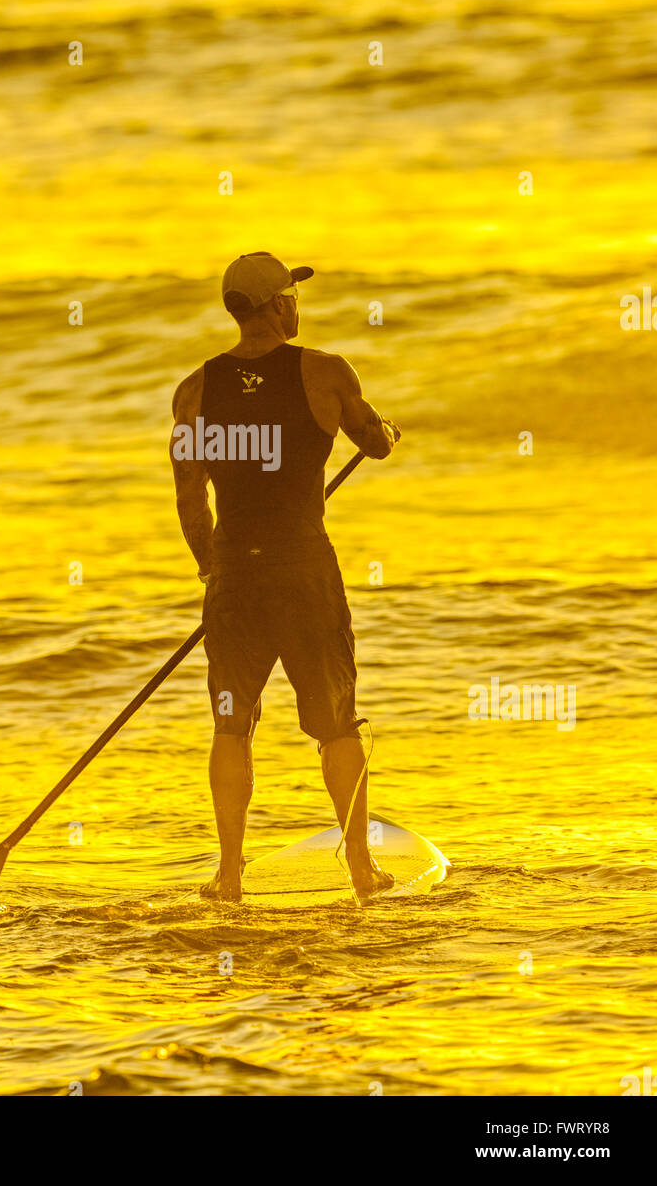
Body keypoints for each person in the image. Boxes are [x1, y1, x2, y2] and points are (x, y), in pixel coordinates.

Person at [170, 252, 401, 903]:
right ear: (276, 306)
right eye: (291, 296)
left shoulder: (194, 391)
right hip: (304, 573)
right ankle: (360, 866)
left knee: (231, 724)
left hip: (236, 579)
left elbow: (191, 500)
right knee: (337, 724)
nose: (296, 305)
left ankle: (229, 875)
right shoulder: (325, 373)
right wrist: (385, 430)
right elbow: (373, 442)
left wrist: (211, 570)